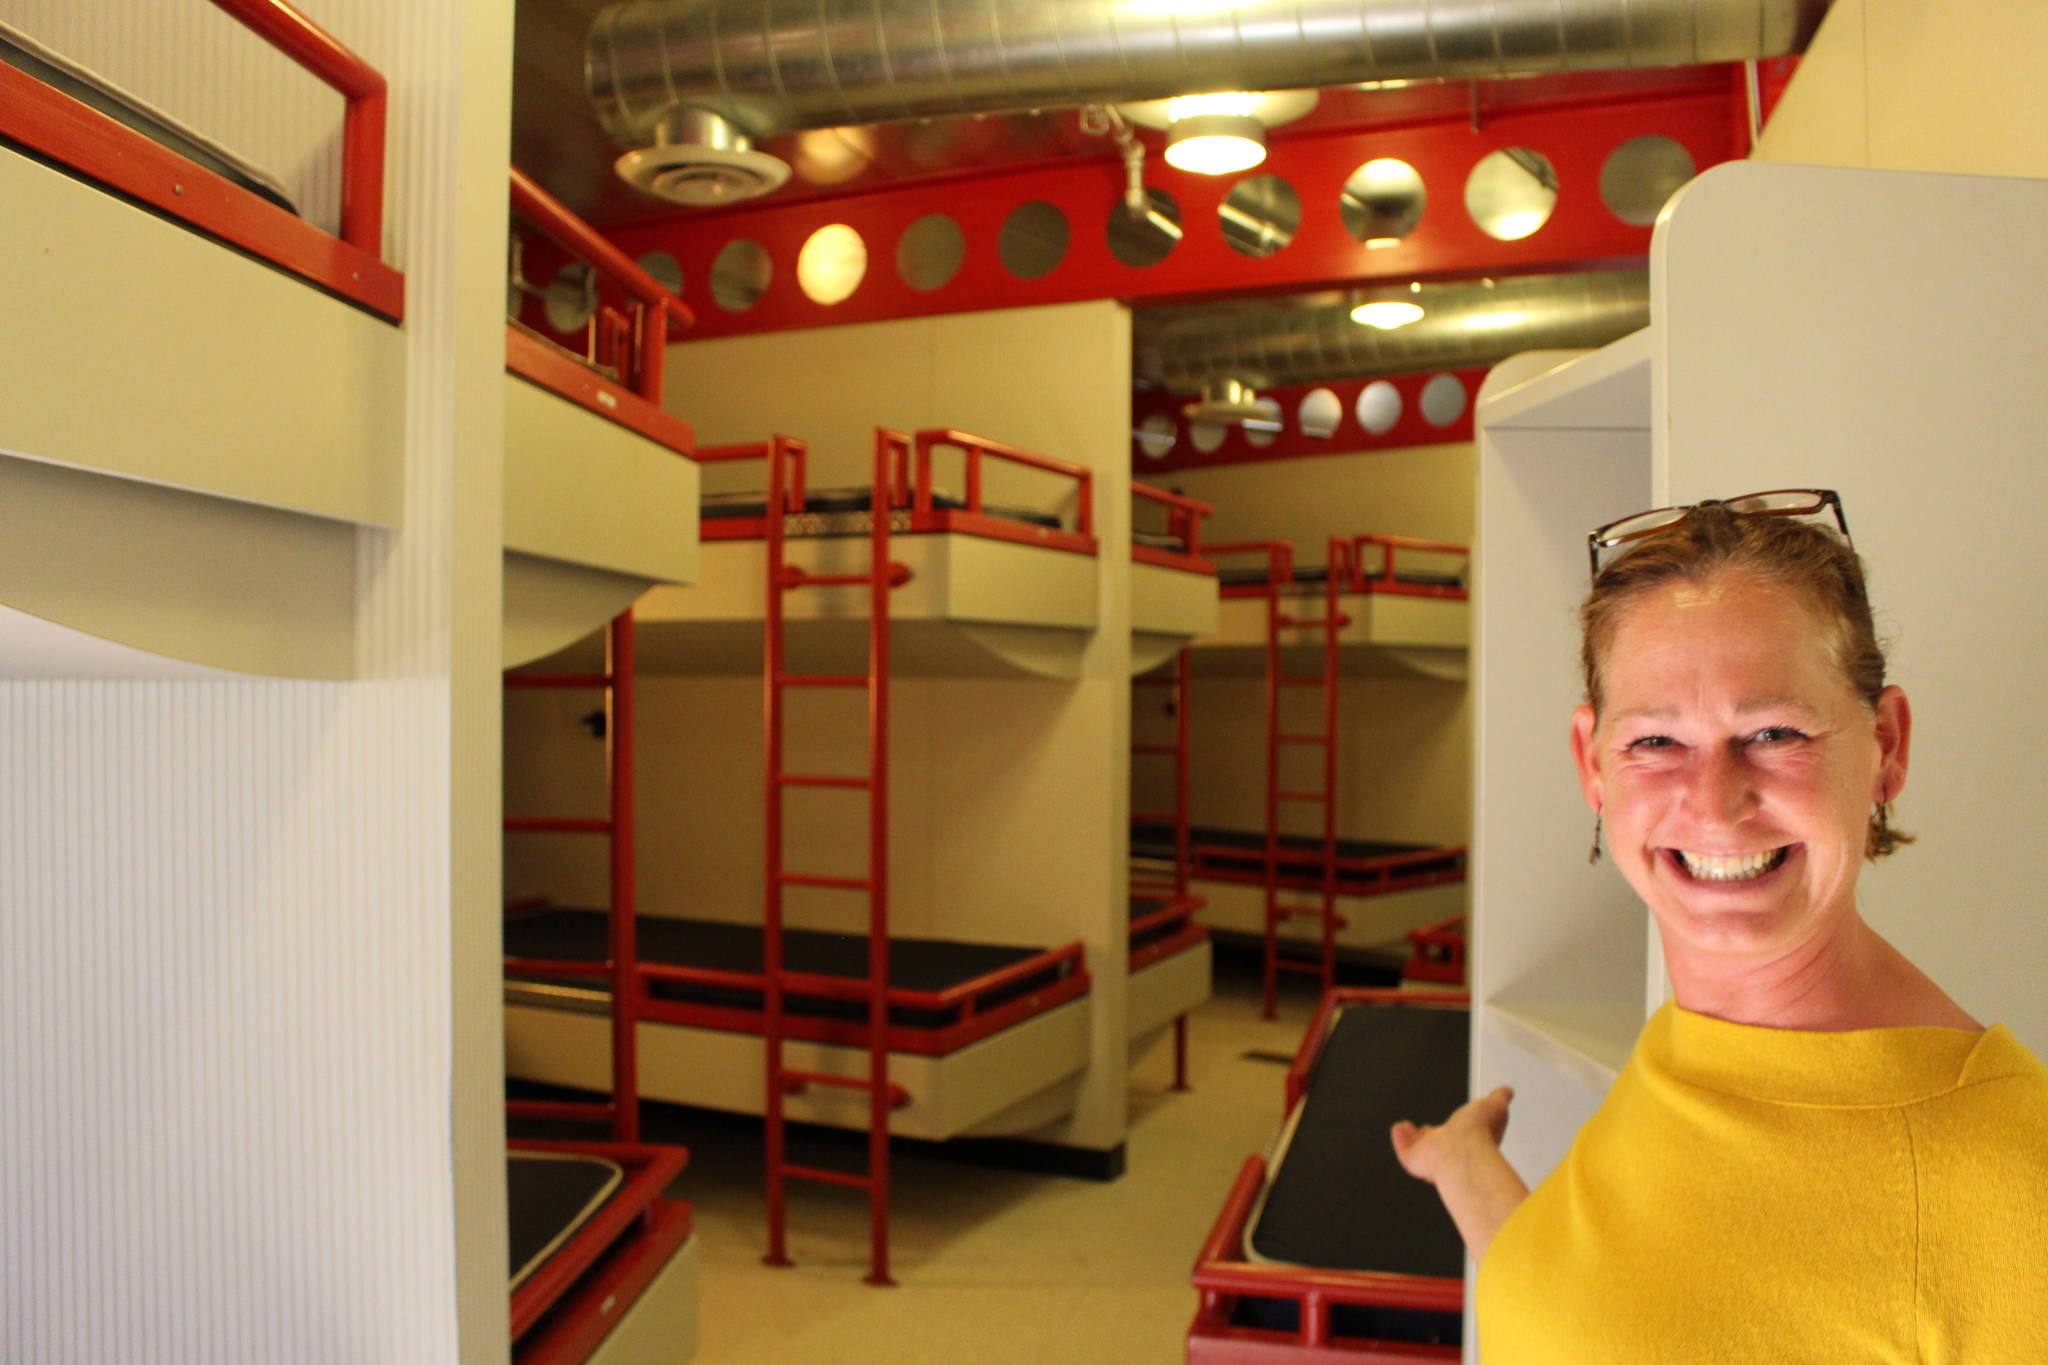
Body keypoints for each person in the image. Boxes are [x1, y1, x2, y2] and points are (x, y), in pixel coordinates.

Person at [1389, 492, 2048, 1361]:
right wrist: (1465, 1167)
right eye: (1656, 742)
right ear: (1593, 765)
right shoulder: (1696, 1037)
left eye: (1774, 731)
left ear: (1886, 744)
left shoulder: (2011, 1188)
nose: (1712, 803)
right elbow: (1617, 1309)